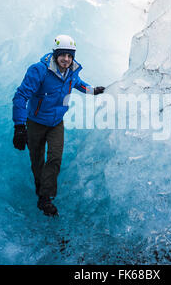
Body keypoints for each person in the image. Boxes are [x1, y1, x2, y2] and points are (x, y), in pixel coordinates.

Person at [12, 35, 105, 216]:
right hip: (36, 122)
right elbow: (21, 96)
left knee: (54, 158)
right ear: (55, 54)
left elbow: (78, 84)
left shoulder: (71, 71)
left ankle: (45, 198)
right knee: (37, 161)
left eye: (70, 56)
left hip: (56, 123)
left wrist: (93, 91)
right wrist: (19, 127)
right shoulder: (39, 70)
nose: (66, 60)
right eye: (63, 55)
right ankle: (41, 191)